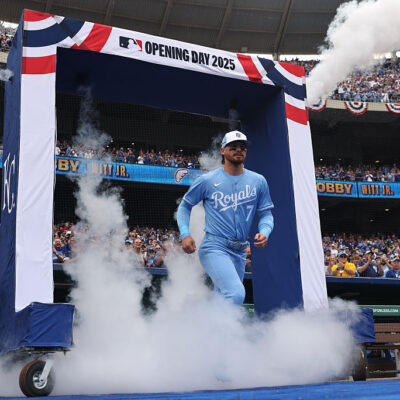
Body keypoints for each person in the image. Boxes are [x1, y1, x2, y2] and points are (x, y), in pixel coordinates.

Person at [177, 130, 274, 305]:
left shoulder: (258, 181)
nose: (239, 150)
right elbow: (185, 206)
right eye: (233, 147)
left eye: (242, 147)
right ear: (222, 150)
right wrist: (185, 234)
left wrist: (265, 231)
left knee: (221, 300)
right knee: (235, 294)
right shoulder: (207, 180)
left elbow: (266, 213)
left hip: (240, 250)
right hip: (215, 246)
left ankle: (199, 328)